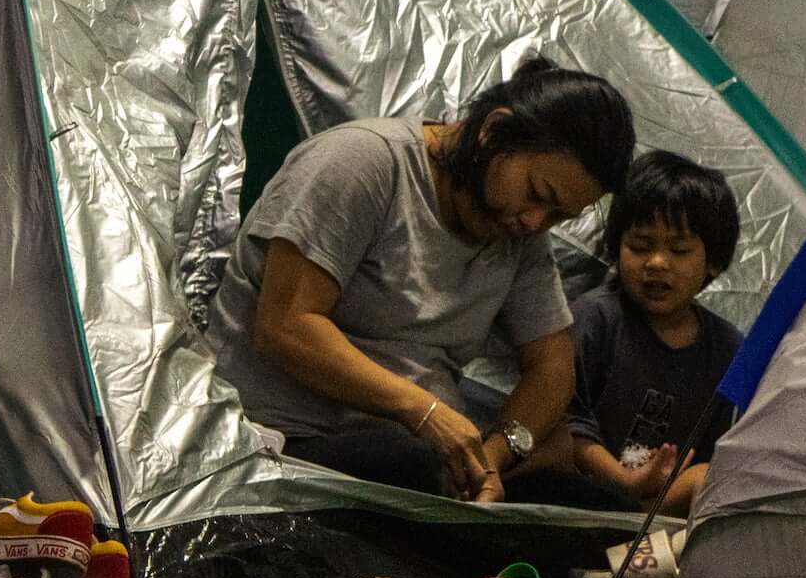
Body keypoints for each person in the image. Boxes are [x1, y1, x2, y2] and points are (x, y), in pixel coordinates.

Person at [206, 57, 635, 503]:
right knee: (406, 464)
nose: (535, 221)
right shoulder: (362, 164)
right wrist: (423, 410)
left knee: (597, 502)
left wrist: (492, 456)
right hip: (288, 444)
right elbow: (286, 327)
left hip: (419, 457)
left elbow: (552, 367)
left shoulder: (518, 232)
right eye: (537, 195)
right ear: (493, 131)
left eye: (559, 216)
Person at [515, 150, 742, 516]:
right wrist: (622, 479)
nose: (656, 263)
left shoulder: (728, 351)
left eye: (679, 250)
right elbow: (562, 421)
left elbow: (720, 451)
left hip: (659, 508)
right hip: (580, 493)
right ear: (617, 247)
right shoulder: (595, 319)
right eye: (640, 246)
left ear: (713, 260)